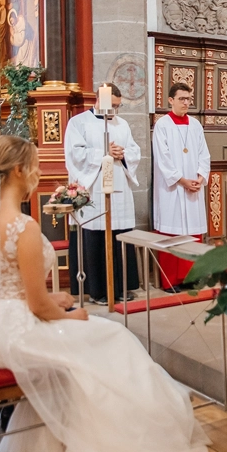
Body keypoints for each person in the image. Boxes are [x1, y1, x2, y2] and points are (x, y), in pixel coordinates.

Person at [0, 136, 208, 452]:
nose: (38, 173)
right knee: (114, 337)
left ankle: (65, 436)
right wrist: (69, 314)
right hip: (20, 328)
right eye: (34, 166)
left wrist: (55, 301)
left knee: (99, 340)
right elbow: (38, 306)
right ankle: (121, 438)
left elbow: (8, 286)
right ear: (19, 171)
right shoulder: (23, 227)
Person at [64, 83, 141, 304]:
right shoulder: (78, 123)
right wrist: (104, 152)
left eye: (118, 106)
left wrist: (123, 154)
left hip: (118, 188)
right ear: (98, 100)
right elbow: (75, 154)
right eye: (112, 105)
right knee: (96, 235)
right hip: (94, 188)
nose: (114, 110)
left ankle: (121, 287)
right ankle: (98, 291)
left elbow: (134, 150)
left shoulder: (122, 124)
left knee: (119, 236)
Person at [152, 82, 211, 292]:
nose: (186, 103)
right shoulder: (162, 125)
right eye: (181, 99)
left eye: (188, 99)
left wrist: (200, 177)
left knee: (192, 234)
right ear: (171, 100)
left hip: (193, 187)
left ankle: (192, 277)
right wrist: (182, 180)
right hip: (172, 189)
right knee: (172, 233)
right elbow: (163, 158)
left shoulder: (195, 125)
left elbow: (204, 154)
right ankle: (171, 281)